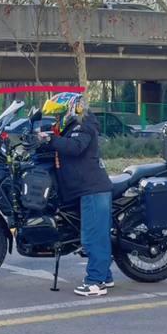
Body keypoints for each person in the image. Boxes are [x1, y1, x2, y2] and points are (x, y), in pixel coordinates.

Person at [38, 92, 113, 296]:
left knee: (93, 238)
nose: (56, 119)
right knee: (93, 235)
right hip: (86, 189)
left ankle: (95, 283)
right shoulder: (72, 126)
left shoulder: (85, 123)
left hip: (93, 188)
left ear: (71, 108)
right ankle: (105, 275)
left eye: (58, 114)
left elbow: (75, 147)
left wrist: (51, 139)